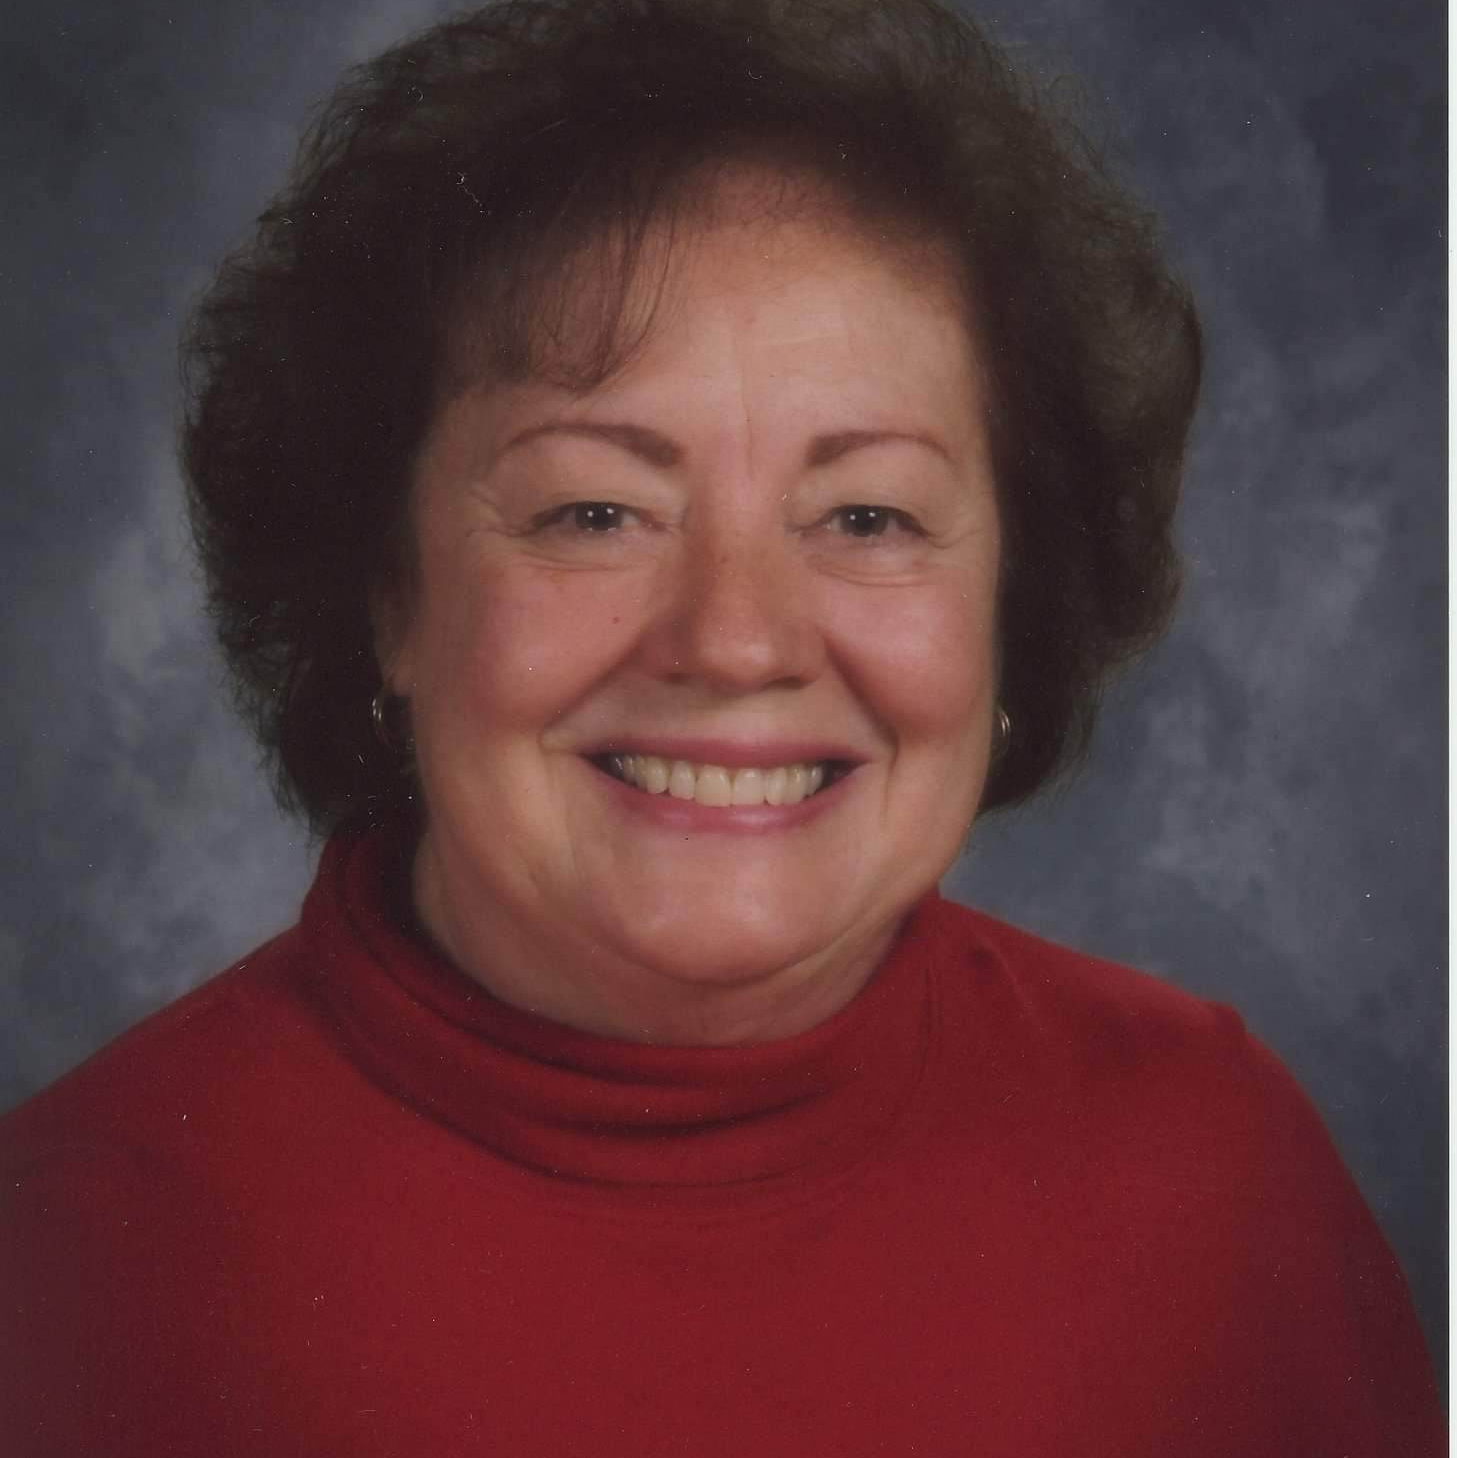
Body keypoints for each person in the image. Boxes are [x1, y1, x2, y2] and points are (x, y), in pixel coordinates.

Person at [0, 0, 1440, 1451]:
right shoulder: (75, 1256)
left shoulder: (1217, 1171)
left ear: (1013, 601)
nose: (737, 639)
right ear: (389, 596)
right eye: (596, 511)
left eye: (867, 516)